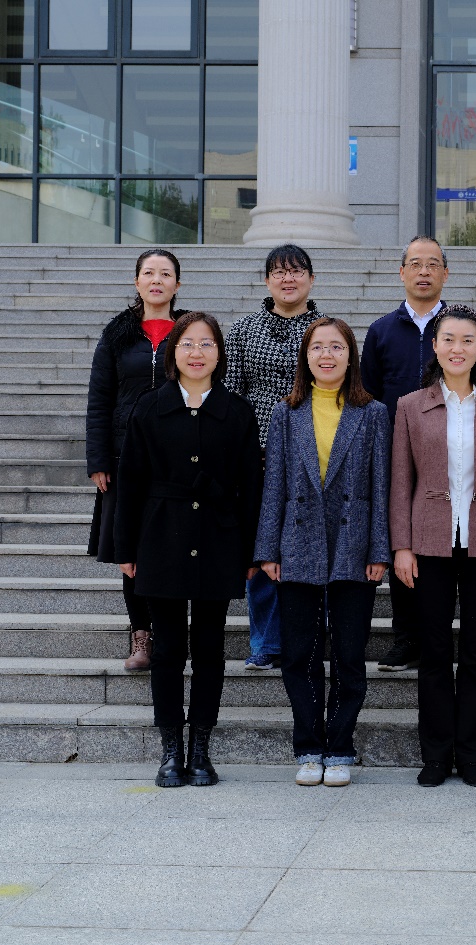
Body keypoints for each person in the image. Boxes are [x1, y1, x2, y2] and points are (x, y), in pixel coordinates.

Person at [114, 312, 262, 788]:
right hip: (162, 536)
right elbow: (130, 482)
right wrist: (126, 546)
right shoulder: (149, 407)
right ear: (174, 353)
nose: (197, 352)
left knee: (211, 648)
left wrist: (251, 550)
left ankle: (201, 749)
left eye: (207, 344)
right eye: (188, 344)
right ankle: (170, 750)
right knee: (168, 649)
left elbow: (251, 486)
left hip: (219, 537)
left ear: (219, 354)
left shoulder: (237, 411)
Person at [390, 304, 476, 788]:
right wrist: (401, 546)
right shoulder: (410, 406)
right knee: (432, 651)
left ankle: (471, 755)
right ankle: (435, 755)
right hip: (428, 542)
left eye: (467, 340)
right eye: (448, 339)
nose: (457, 348)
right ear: (434, 345)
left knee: (475, 651)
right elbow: (400, 481)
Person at [255, 317, 390, 788]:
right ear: (305, 356)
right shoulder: (285, 412)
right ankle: (309, 748)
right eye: (318, 347)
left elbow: (381, 485)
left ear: (351, 356)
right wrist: (267, 549)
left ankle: (341, 748)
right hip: (298, 543)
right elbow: (274, 485)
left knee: (349, 655)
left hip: (355, 544)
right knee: (299, 654)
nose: (327, 355)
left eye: (336, 347)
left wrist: (380, 548)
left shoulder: (373, 412)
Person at [362, 236, 476, 673]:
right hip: (398, 450)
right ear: (401, 272)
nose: (423, 271)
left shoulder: (458, 329)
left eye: (433, 264)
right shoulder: (381, 331)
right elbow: (368, 394)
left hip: (454, 449)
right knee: (406, 541)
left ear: (445, 273)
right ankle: (406, 636)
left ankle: (447, 636)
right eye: (415, 264)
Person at [225, 244, 325, 672]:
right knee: (263, 548)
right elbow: (230, 395)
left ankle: (309, 638)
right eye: (280, 272)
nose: (289, 279)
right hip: (258, 456)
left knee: (310, 549)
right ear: (267, 280)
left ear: (311, 280)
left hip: (313, 457)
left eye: (297, 271)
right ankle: (266, 642)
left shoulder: (326, 331)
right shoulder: (243, 330)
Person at [86, 249, 185, 671]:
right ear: (137, 281)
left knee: (175, 544)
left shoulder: (191, 330)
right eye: (149, 273)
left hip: (179, 456)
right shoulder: (117, 334)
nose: (156, 280)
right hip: (125, 457)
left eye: (165, 274)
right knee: (131, 548)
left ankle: (171, 633)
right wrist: (98, 459)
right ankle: (141, 635)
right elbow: (100, 398)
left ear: (177, 284)